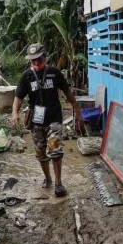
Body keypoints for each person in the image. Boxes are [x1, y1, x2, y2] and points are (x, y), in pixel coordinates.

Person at [11, 43, 79, 197]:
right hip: (36, 122)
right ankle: (47, 178)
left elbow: (67, 91)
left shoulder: (54, 73)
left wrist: (76, 108)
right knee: (41, 153)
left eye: (38, 59)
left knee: (55, 150)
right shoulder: (26, 76)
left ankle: (58, 183)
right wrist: (14, 113)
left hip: (54, 119)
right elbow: (18, 97)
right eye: (32, 60)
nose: (35, 62)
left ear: (45, 57)